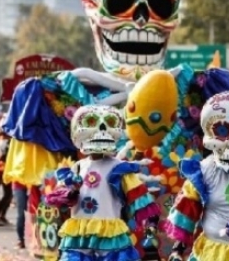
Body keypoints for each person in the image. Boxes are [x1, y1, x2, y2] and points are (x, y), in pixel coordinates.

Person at [45, 105, 160, 261]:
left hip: (110, 232)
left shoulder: (119, 168)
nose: (101, 131)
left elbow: (140, 200)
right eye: (91, 122)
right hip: (80, 231)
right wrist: (69, 193)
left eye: (109, 123)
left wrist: (150, 227)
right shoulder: (78, 167)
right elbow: (59, 197)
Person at [166, 91, 229, 261]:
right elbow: (188, 210)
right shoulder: (203, 171)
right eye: (222, 130)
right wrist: (177, 250)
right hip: (215, 253)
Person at [13, 181, 28, 249]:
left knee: (36, 212)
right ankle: (20, 239)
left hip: (35, 184)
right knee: (21, 213)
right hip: (19, 185)